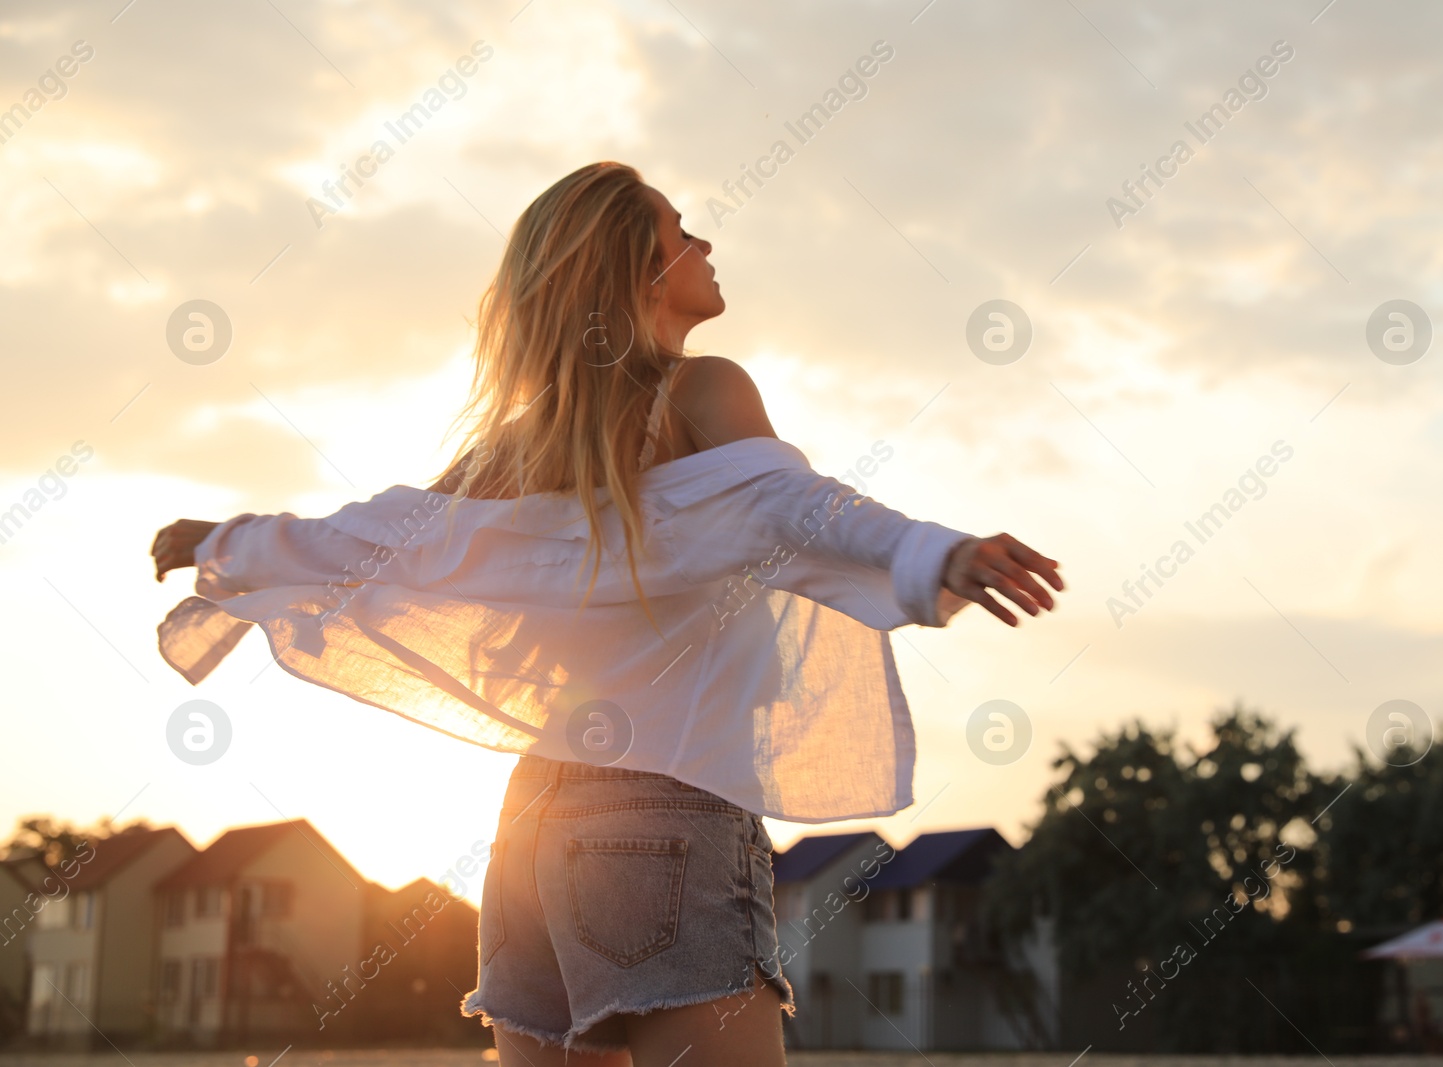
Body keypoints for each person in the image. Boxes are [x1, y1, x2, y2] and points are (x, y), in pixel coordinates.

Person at [151, 161, 1063, 1066]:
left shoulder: (521, 444)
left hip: (532, 826)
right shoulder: (700, 391)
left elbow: (377, 537)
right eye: (681, 230)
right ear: (635, 274)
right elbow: (797, 505)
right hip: (665, 809)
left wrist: (225, 541)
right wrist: (931, 552)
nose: (705, 242)